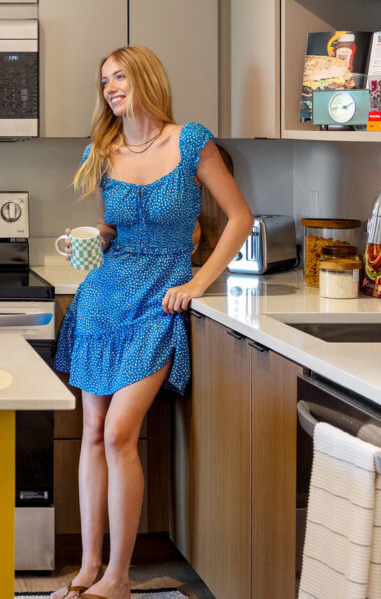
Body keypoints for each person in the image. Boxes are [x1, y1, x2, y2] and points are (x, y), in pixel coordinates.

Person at [51, 46, 252, 599]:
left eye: (120, 77)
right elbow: (109, 229)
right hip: (102, 299)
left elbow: (240, 218)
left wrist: (198, 282)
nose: (111, 88)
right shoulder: (102, 151)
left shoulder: (190, 141)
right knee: (94, 432)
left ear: (145, 78)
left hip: (158, 303)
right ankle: (88, 569)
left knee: (120, 432)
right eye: (105, 81)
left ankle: (118, 578)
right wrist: (85, 240)